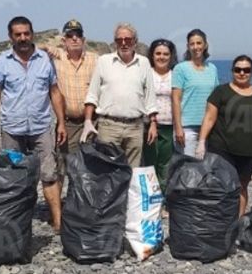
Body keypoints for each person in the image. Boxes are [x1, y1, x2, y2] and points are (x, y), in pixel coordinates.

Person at [0, 16, 67, 232]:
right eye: (18, 34)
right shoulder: (1, 62)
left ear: (32, 34)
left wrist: (60, 122)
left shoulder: (44, 60)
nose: (23, 38)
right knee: (13, 176)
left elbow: (54, 92)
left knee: (49, 174)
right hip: (12, 130)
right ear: (10, 37)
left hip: (41, 128)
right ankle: (13, 220)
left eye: (26, 33)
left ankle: (58, 221)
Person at [196, 55, 252, 216]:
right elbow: (209, 118)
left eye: (246, 70)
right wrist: (201, 141)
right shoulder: (221, 91)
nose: (242, 73)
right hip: (222, 148)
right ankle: (220, 221)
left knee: (242, 186)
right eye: (238, 69)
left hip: (250, 151)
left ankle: (238, 222)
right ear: (232, 71)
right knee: (222, 185)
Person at [81, 22, 158, 167]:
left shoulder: (144, 63)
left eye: (128, 40)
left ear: (135, 41)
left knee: (132, 170)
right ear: (115, 42)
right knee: (108, 170)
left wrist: (153, 123)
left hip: (135, 127)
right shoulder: (103, 61)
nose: (124, 43)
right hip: (109, 126)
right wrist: (87, 121)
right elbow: (92, 94)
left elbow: (150, 97)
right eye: (119, 40)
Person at [48, 19, 98, 155]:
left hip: (93, 121)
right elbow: (36, 47)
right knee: (63, 164)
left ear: (84, 39)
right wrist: (47, 47)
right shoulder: (58, 57)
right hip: (68, 123)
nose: (75, 38)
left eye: (78, 35)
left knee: (92, 167)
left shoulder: (95, 60)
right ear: (64, 41)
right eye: (70, 36)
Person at [171, 29, 219, 156]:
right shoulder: (181, 69)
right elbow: (176, 99)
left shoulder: (212, 69)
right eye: (192, 44)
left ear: (205, 45)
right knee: (189, 169)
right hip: (187, 127)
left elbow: (216, 98)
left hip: (208, 126)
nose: (196, 47)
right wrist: (178, 128)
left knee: (205, 168)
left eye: (199, 43)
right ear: (188, 46)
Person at [142, 38, 177, 188]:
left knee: (166, 165)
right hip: (148, 125)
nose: (161, 57)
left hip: (170, 126)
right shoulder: (145, 73)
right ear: (152, 55)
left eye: (165, 54)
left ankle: (163, 199)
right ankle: (149, 200)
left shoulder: (176, 74)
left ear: (171, 56)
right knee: (148, 163)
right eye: (158, 53)